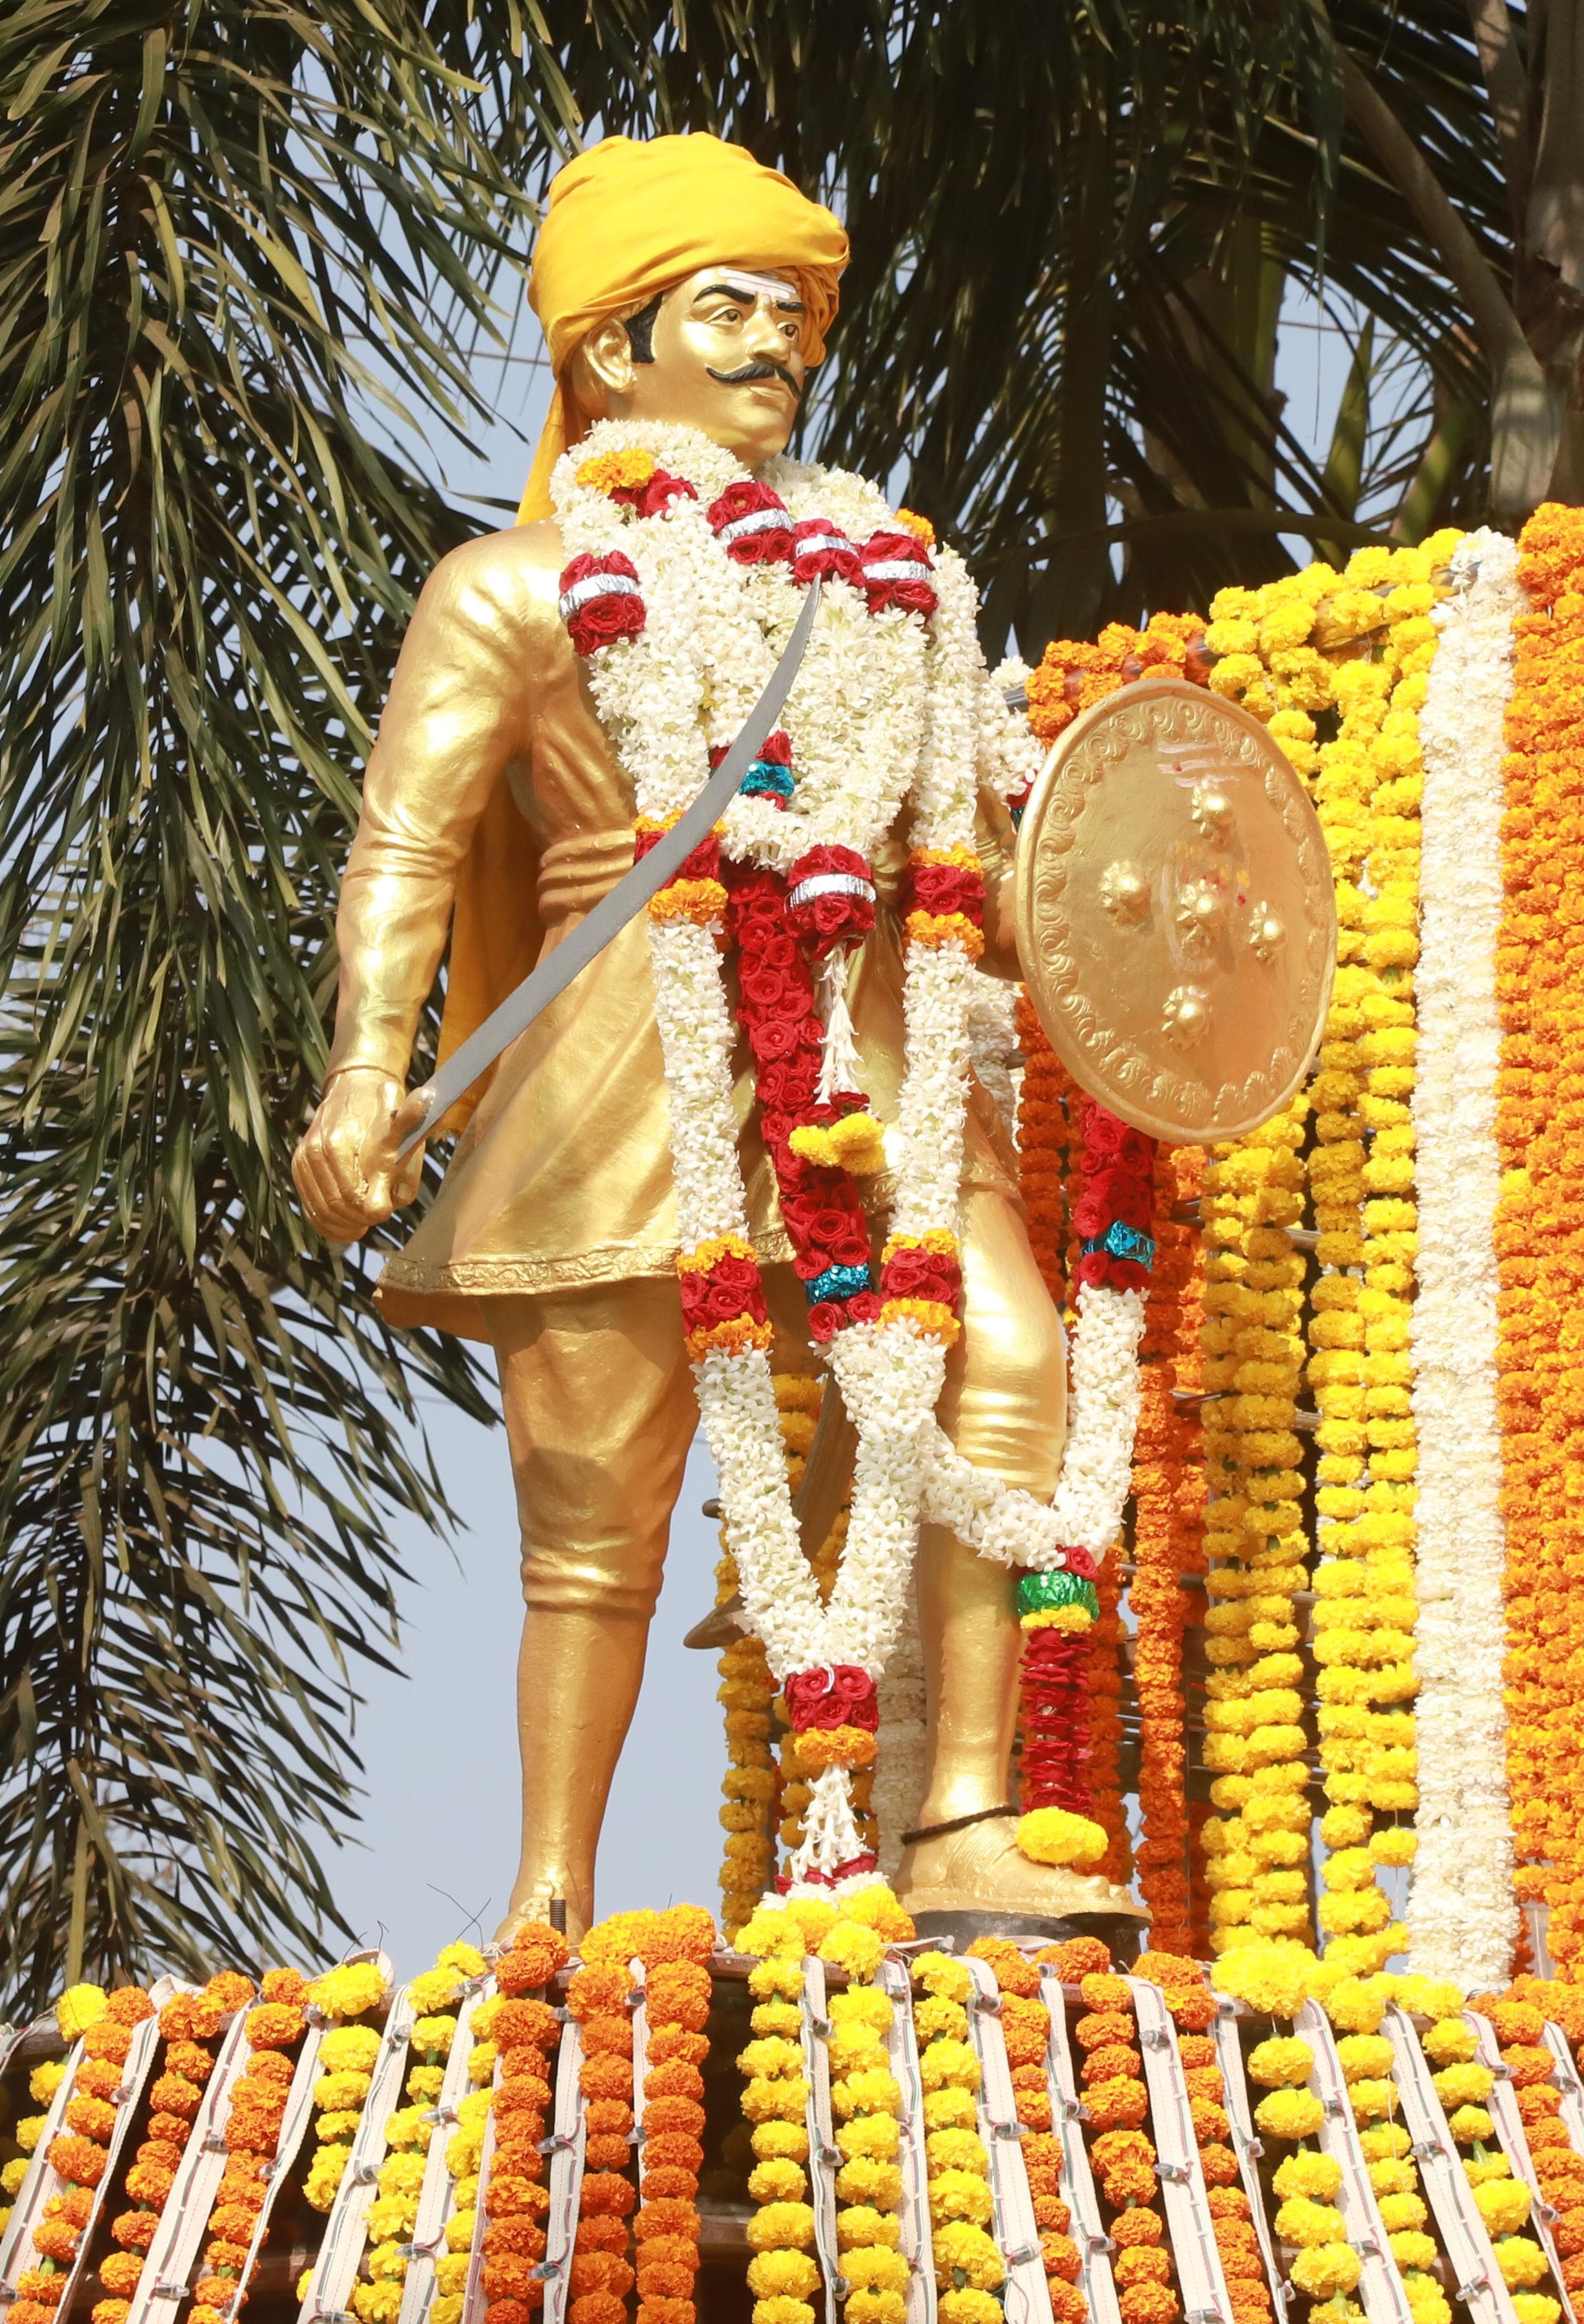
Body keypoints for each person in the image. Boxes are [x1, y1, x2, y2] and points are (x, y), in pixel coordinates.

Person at [292, 132, 1139, 1941]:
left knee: (1008, 1361)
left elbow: (976, 845)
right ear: (612, 350)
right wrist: (372, 1067)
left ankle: (964, 1822)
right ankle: (549, 1903)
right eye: (732, 308)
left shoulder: (898, 579)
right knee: (598, 1510)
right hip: (629, 1068)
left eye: (796, 316)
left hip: (874, 1063)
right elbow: (410, 846)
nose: (780, 347)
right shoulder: (515, 587)